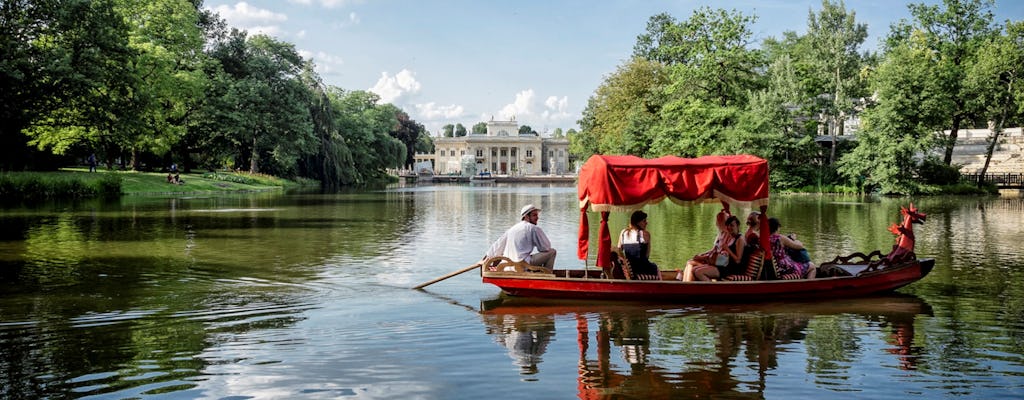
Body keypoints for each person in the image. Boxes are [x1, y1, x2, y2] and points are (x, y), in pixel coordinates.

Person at [484, 204, 557, 270]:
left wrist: (485, 258)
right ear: (526, 217)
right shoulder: (533, 228)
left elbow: (498, 246)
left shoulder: (512, 228)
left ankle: (539, 273)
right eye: (534, 215)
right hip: (522, 265)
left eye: (537, 215)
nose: (537, 218)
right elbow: (546, 248)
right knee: (552, 252)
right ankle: (547, 275)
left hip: (508, 266)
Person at [678, 208, 732, 281]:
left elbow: (720, 258)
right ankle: (685, 284)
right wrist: (701, 255)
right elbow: (713, 250)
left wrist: (703, 258)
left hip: (718, 264)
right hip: (713, 261)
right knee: (690, 262)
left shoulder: (729, 236)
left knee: (691, 264)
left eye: (719, 219)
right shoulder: (721, 234)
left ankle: (687, 286)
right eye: (717, 219)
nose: (717, 222)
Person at [692, 215, 746, 281]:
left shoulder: (740, 239)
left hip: (731, 269)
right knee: (694, 269)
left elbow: (738, 260)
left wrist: (727, 249)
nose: (729, 227)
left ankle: (712, 290)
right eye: (728, 225)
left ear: (737, 226)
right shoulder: (733, 237)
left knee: (699, 272)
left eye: (732, 225)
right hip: (724, 265)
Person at [616, 210, 659, 278]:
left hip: (629, 269)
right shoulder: (646, 234)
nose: (646, 223)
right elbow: (647, 255)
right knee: (655, 267)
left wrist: (626, 266)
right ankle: (660, 285)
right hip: (641, 268)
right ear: (638, 222)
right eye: (644, 221)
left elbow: (618, 251)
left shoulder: (623, 233)